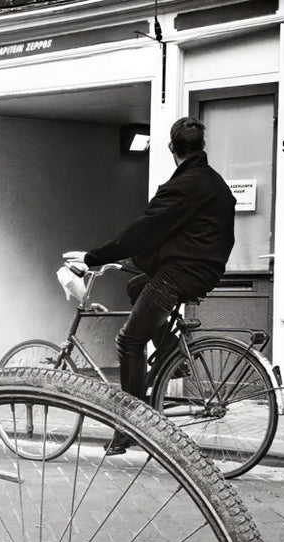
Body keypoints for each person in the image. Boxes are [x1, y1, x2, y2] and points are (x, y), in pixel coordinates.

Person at [80, 116, 235, 452]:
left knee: (128, 343)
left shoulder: (184, 185)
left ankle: (132, 427)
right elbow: (182, 236)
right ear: (201, 147)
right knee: (136, 288)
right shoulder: (215, 184)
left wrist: (94, 256)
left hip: (180, 273)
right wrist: (130, 262)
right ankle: (169, 354)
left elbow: (145, 230)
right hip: (204, 269)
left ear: (170, 148)